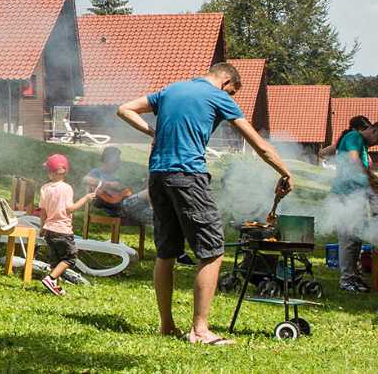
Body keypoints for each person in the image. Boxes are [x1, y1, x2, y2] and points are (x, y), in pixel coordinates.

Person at [117, 62, 292, 345]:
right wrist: (285, 172)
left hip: (158, 176)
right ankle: (200, 331)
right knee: (212, 251)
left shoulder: (171, 90)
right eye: (233, 92)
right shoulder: (218, 96)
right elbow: (259, 144)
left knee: (166, 253)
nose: (231, 98)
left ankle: (166, 325)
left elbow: (124, 109)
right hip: (188, 176)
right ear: (226, 82)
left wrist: (153, 133)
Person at [327, 119, 378, 292]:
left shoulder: (360, 142)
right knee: (348, 239)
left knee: (355, 239)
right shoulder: (354, 136)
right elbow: (354, 160)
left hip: (355, 196)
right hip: (345, 196)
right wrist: (371, 178)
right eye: (377, 140)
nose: (375, 144)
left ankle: (354, 277)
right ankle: (346, 280)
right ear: (373, 130)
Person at [39, 154, 95, 296]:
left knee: (55, 260)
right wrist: (86, 198)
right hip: (62, 230)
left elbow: (43, 212)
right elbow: (69, 209)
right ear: (65, 171)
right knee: (69, 259)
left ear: (52, 172)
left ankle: (55, 287)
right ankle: (51, 279)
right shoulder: (66, 188)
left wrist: (41, 227)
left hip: (49, 230)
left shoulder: (44, 188)